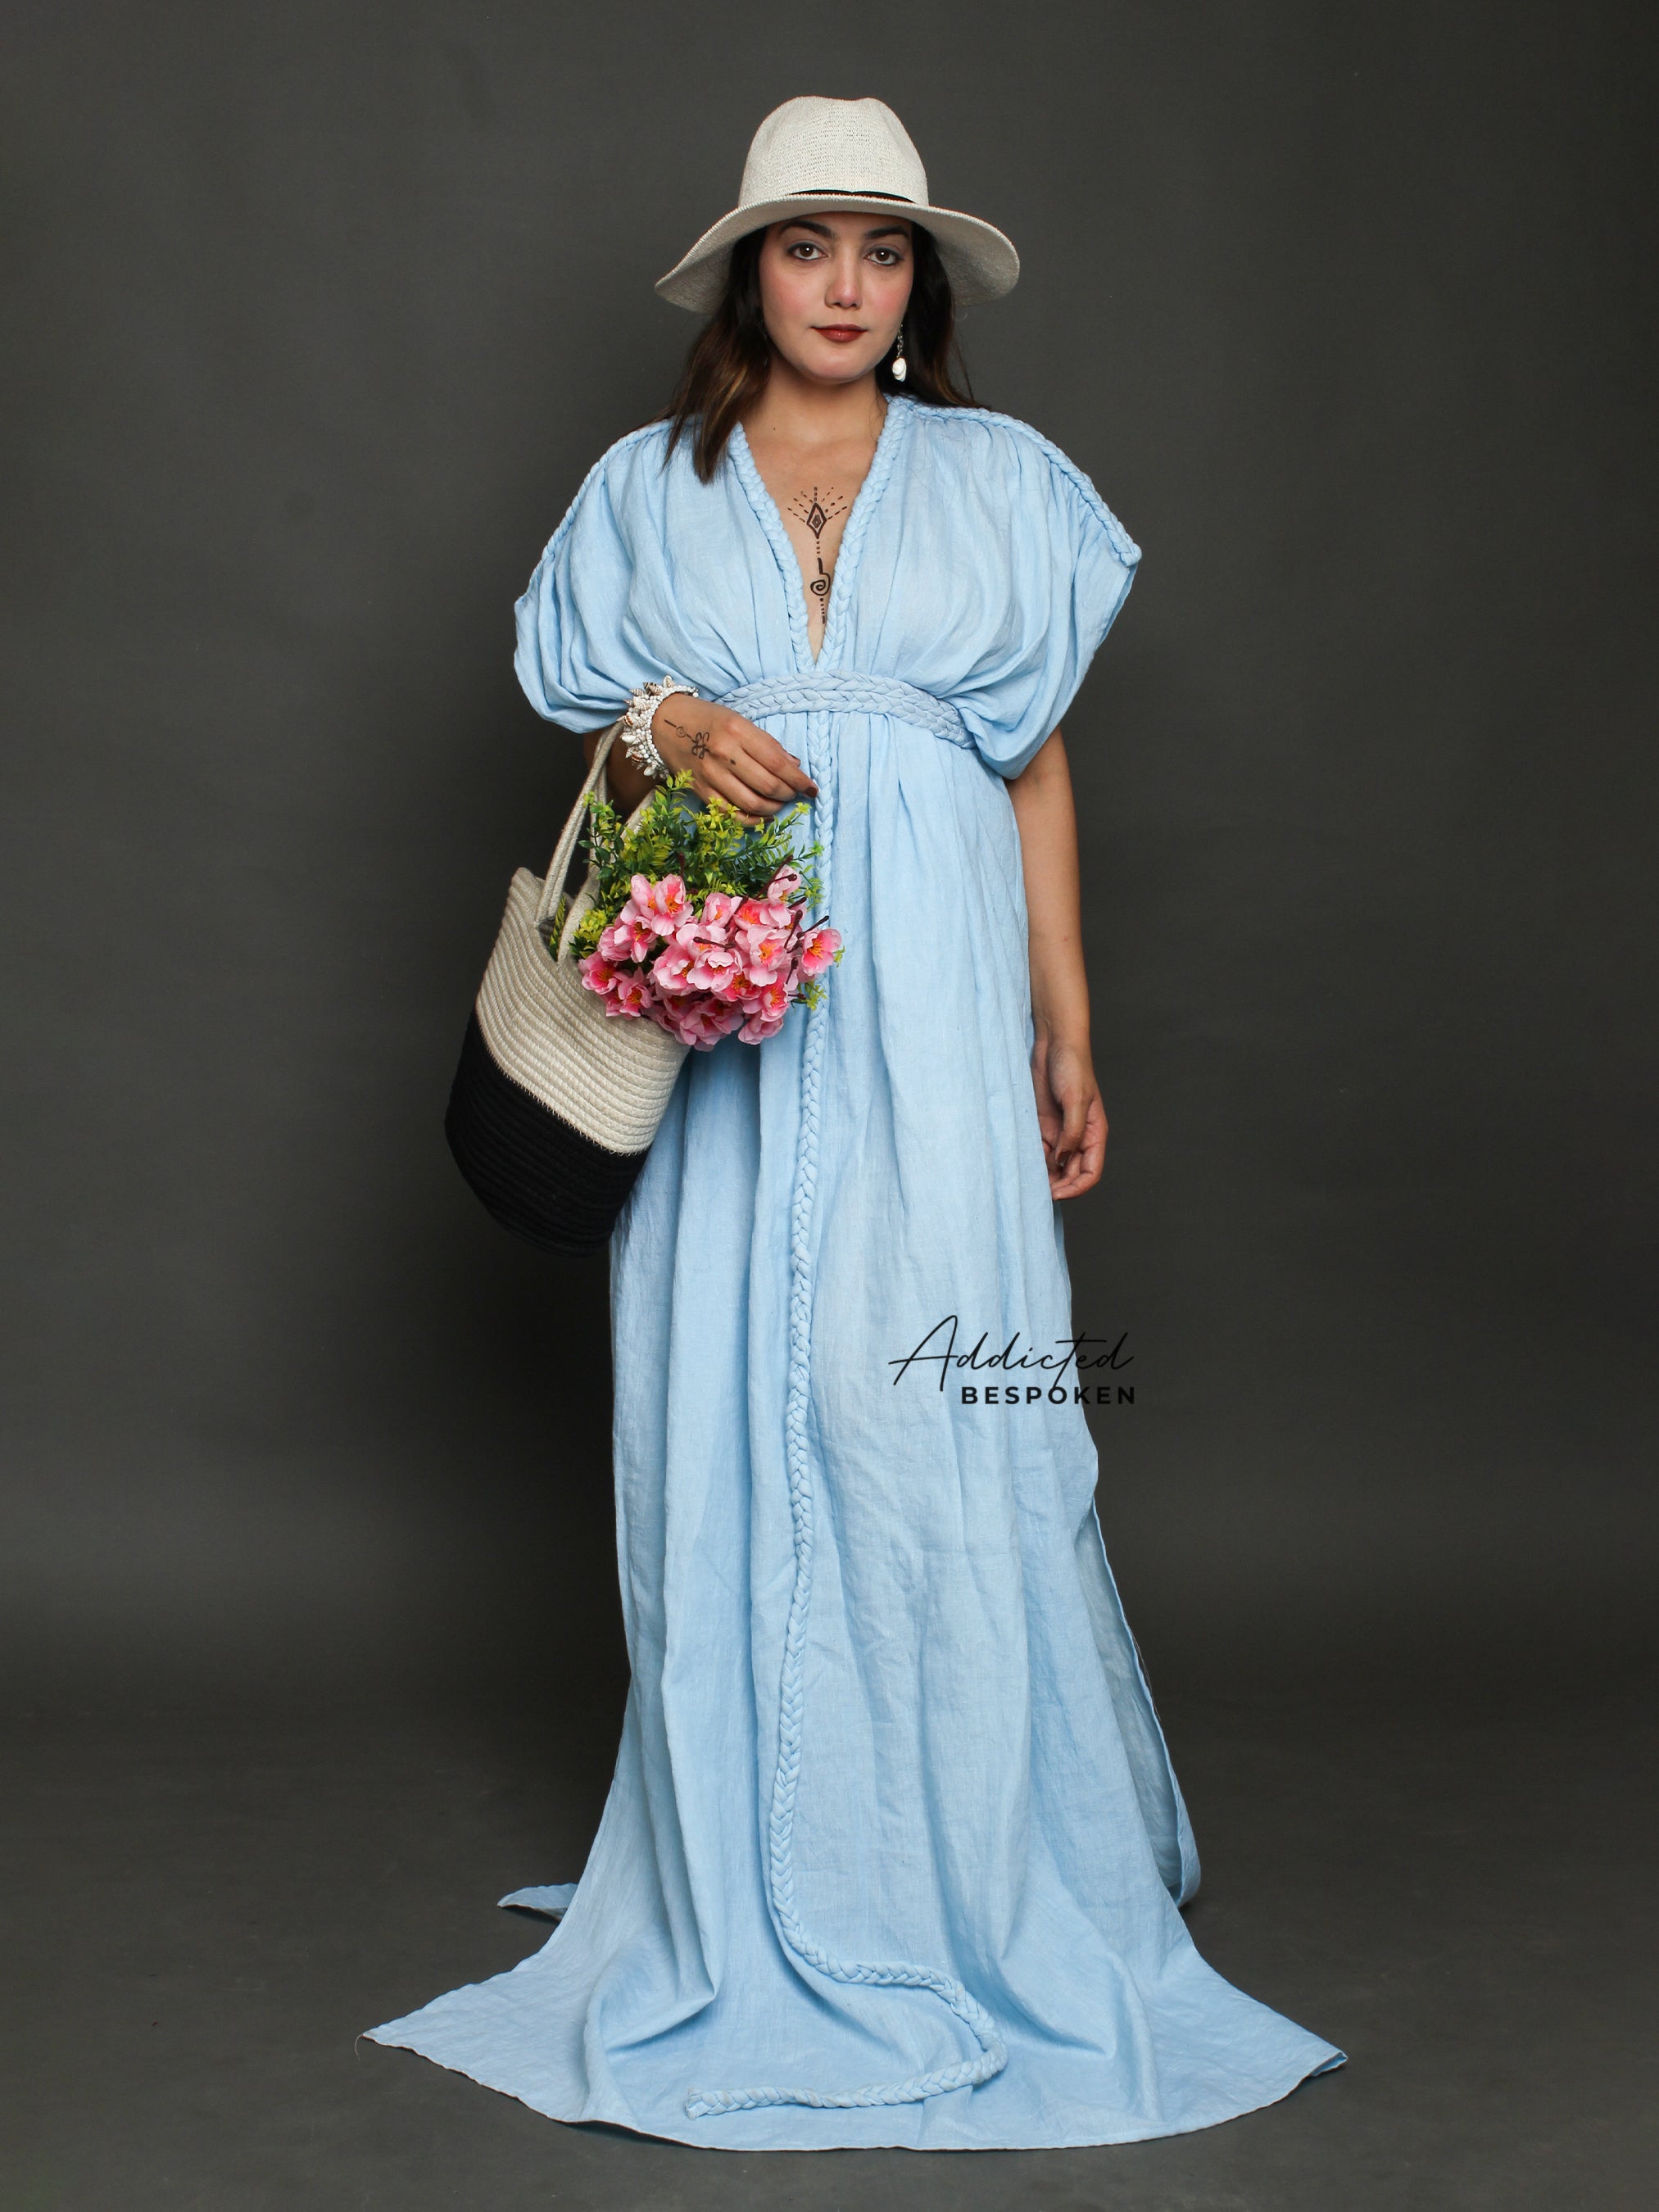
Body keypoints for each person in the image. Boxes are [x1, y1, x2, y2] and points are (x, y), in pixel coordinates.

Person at [365, 93, 1345, 2150]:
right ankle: (762, 1851)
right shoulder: (648, 482)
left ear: (915, 284)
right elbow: (581, 700)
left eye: (879, 250)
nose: (841, 282)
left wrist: (1060, 1027)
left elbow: (1033, 770)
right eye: (807, 244)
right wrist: (657, 718)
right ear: (750, 268)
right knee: (729, 1394)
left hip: (923, 989)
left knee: (926, 1401)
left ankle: (959, 1858)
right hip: (723, 1002)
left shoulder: (1003, 482)